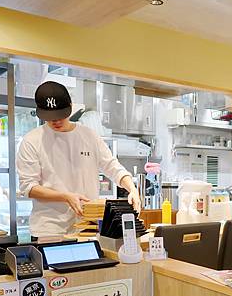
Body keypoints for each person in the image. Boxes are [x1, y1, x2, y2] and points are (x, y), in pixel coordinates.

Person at [16, 81, 141, 239]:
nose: (56, 121)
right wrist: (66, 196)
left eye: (61, 114)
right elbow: (29, 187)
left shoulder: (89, 136)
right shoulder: (32, 140)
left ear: (70, 106)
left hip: (88, 226)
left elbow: (112, 166)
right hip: (50, 229)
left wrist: (132, 189)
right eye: (50, 117)